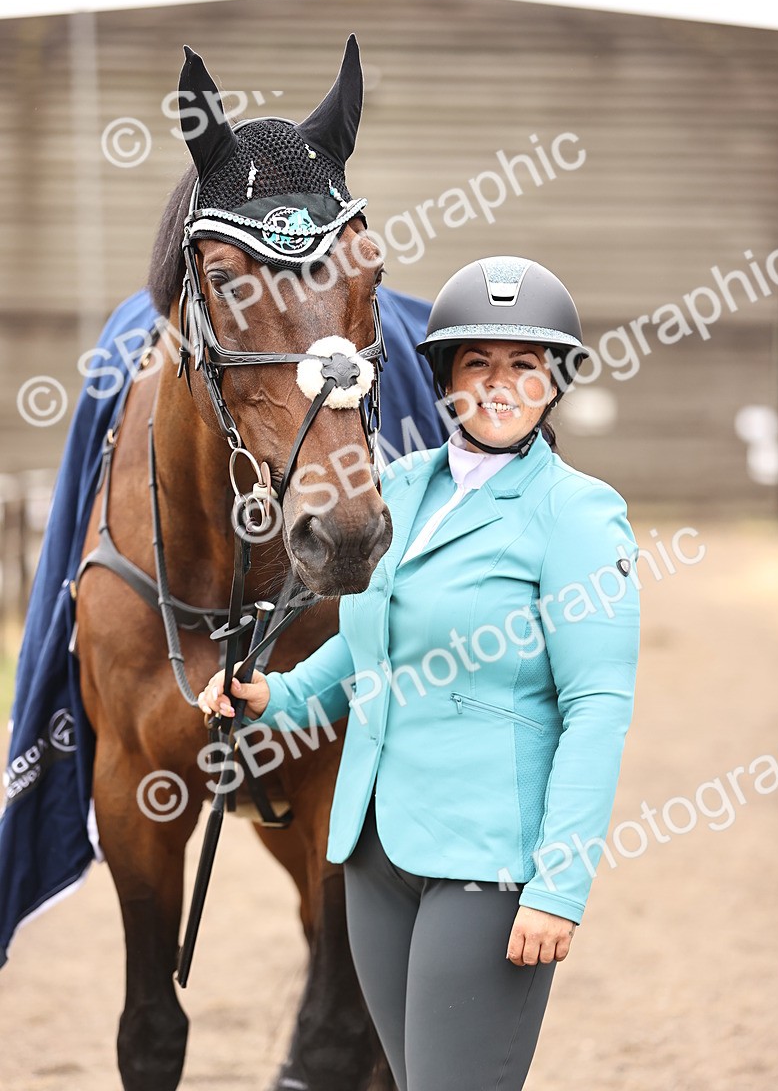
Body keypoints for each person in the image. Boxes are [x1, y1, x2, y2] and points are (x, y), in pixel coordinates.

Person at [199, 255, 641, 1091]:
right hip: (375, 855)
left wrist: (559, 887)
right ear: (445, 378)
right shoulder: (397, 488)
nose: (499, 384)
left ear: (553, 382)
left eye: (524, 364)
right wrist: (274, 697)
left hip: (487, 863)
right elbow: (370, 648)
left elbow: (597, 709)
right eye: (478, 363)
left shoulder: (579, 516)